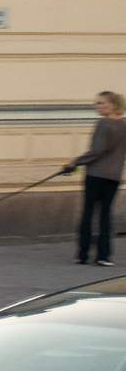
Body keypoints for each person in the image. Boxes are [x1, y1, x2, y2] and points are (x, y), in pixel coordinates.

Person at [66, 91, 126, 266]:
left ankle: (83, 254)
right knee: (106, 215)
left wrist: (74, 163)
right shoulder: (123, 126)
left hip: (96, 175)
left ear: (113, 105)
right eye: (97, 103)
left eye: (101, 103)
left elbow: (97, 150)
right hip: (114, 176)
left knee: (88, 214)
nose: (97, 106)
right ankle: (104, 256)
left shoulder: (103, 124)